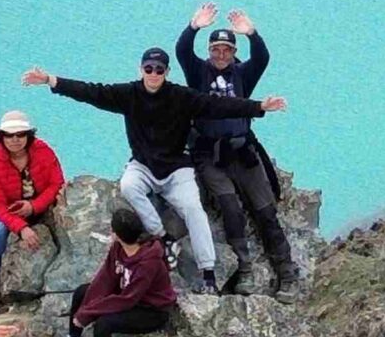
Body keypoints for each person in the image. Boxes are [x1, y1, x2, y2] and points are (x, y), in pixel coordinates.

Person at [21, 50, 287, 291]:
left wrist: (259, 107)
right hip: (143, 166)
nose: (153, 74)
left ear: (166, 72)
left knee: (194, 208)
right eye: (149, 69)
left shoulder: (181, 96)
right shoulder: (128, 94)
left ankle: (208, 273)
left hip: (176, 168)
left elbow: (218, 105)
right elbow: (92, 92)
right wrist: (50, 80)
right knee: (128, 185)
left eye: (159, 69)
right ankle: (162, 237)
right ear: (141, 70)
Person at [177, 5, 296, 293]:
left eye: (226, 50)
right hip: (210, 154)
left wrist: (252, 33)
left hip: (242, 151)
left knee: (265, 211)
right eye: (216, 49)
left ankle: (287, 272)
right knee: (231, 207)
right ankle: (245, 269)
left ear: (233, 53)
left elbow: (263, 58)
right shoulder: (198, 73)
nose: (221, 55)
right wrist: (193, 26)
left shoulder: (243, 74)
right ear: (209, 51)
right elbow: (182, 52)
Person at [64, 201, 176, 337]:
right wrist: (84, 311)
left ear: (117, 234)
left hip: (152, 309)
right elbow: (105, 279)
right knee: (82, 292)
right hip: (128, 293)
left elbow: (128, 299)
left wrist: (88, 313)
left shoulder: (148, 262)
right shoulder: (118, 247)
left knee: (104, 325)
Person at [0, 108, 66, 309]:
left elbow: (56, 183)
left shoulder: (44, 152)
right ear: (2, 138)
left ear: (28, 136)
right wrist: (21, 227)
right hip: (7, 209)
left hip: (38, 203)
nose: (15, 140)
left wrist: (34, 206)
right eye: (9, 135)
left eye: (20, 134)